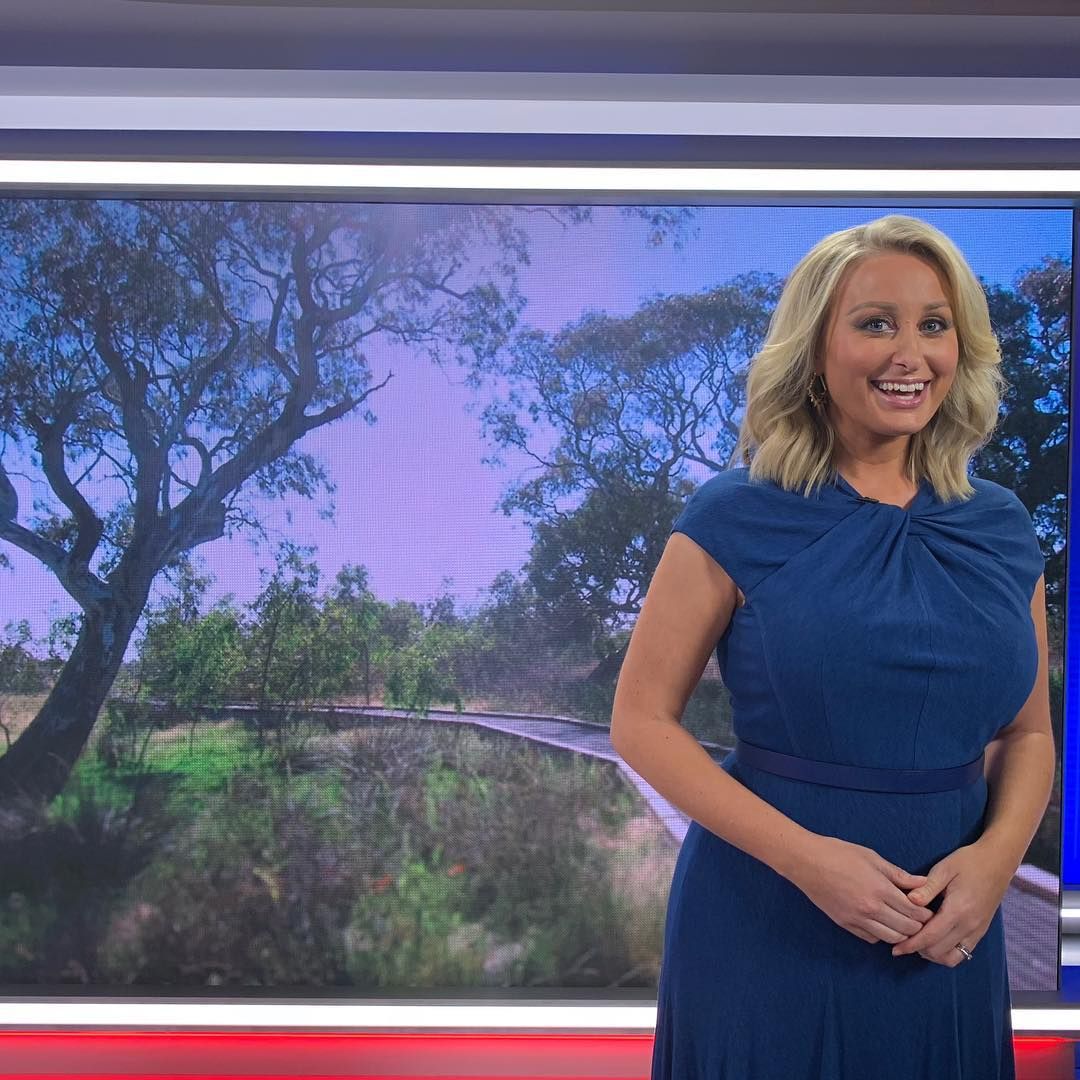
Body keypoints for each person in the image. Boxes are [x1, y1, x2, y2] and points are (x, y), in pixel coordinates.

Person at [610, 214, 1056, 1079]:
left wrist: (996, 865)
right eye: (875, 323)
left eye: (934, 325)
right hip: (768, 920)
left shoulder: (1003, 528)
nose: (910, 354)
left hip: (950, 934)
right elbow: (640, 722)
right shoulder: (735, 513)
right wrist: (808, 862)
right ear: (816, 348)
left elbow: (1027, 732)